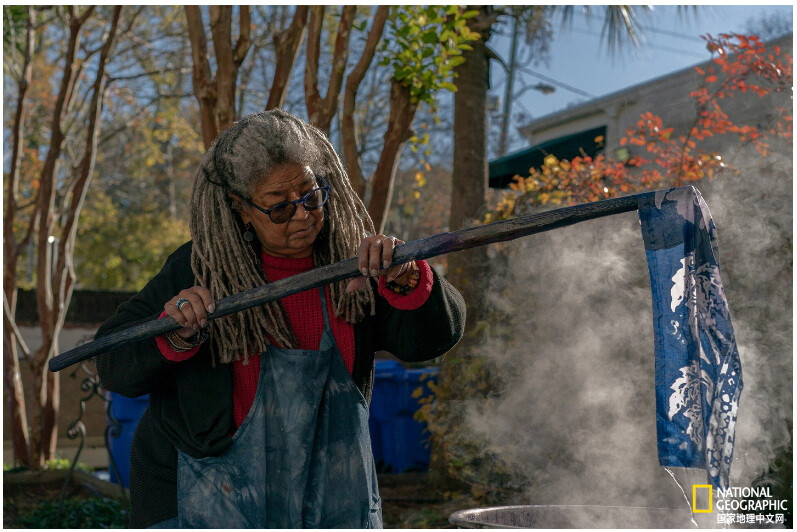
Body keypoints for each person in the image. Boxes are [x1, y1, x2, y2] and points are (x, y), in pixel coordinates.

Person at [95, 109, 466, 529]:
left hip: (334, 502)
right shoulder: (199, 268)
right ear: (241, 208)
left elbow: (433, 340)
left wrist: (408, 280)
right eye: (280, 208)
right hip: (205, 503)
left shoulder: (356, 265)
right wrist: (173, 335)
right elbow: (113, 364)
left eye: (311, 196)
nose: (304, 215)